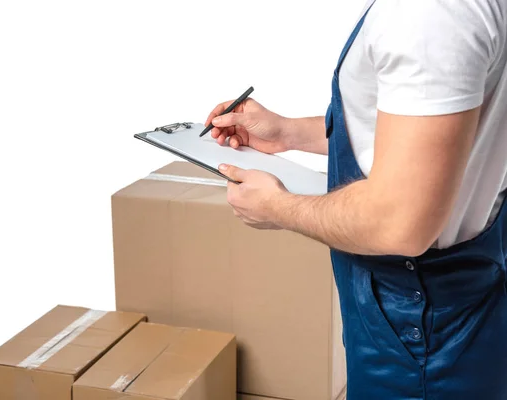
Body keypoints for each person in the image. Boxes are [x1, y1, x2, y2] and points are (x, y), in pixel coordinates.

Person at [205, 1, 507, 399]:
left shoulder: (428, 15)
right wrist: (288, 133)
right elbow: (426, 138)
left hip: (417, 332)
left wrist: (275, 205)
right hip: (463, 304)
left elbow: (398, 222)